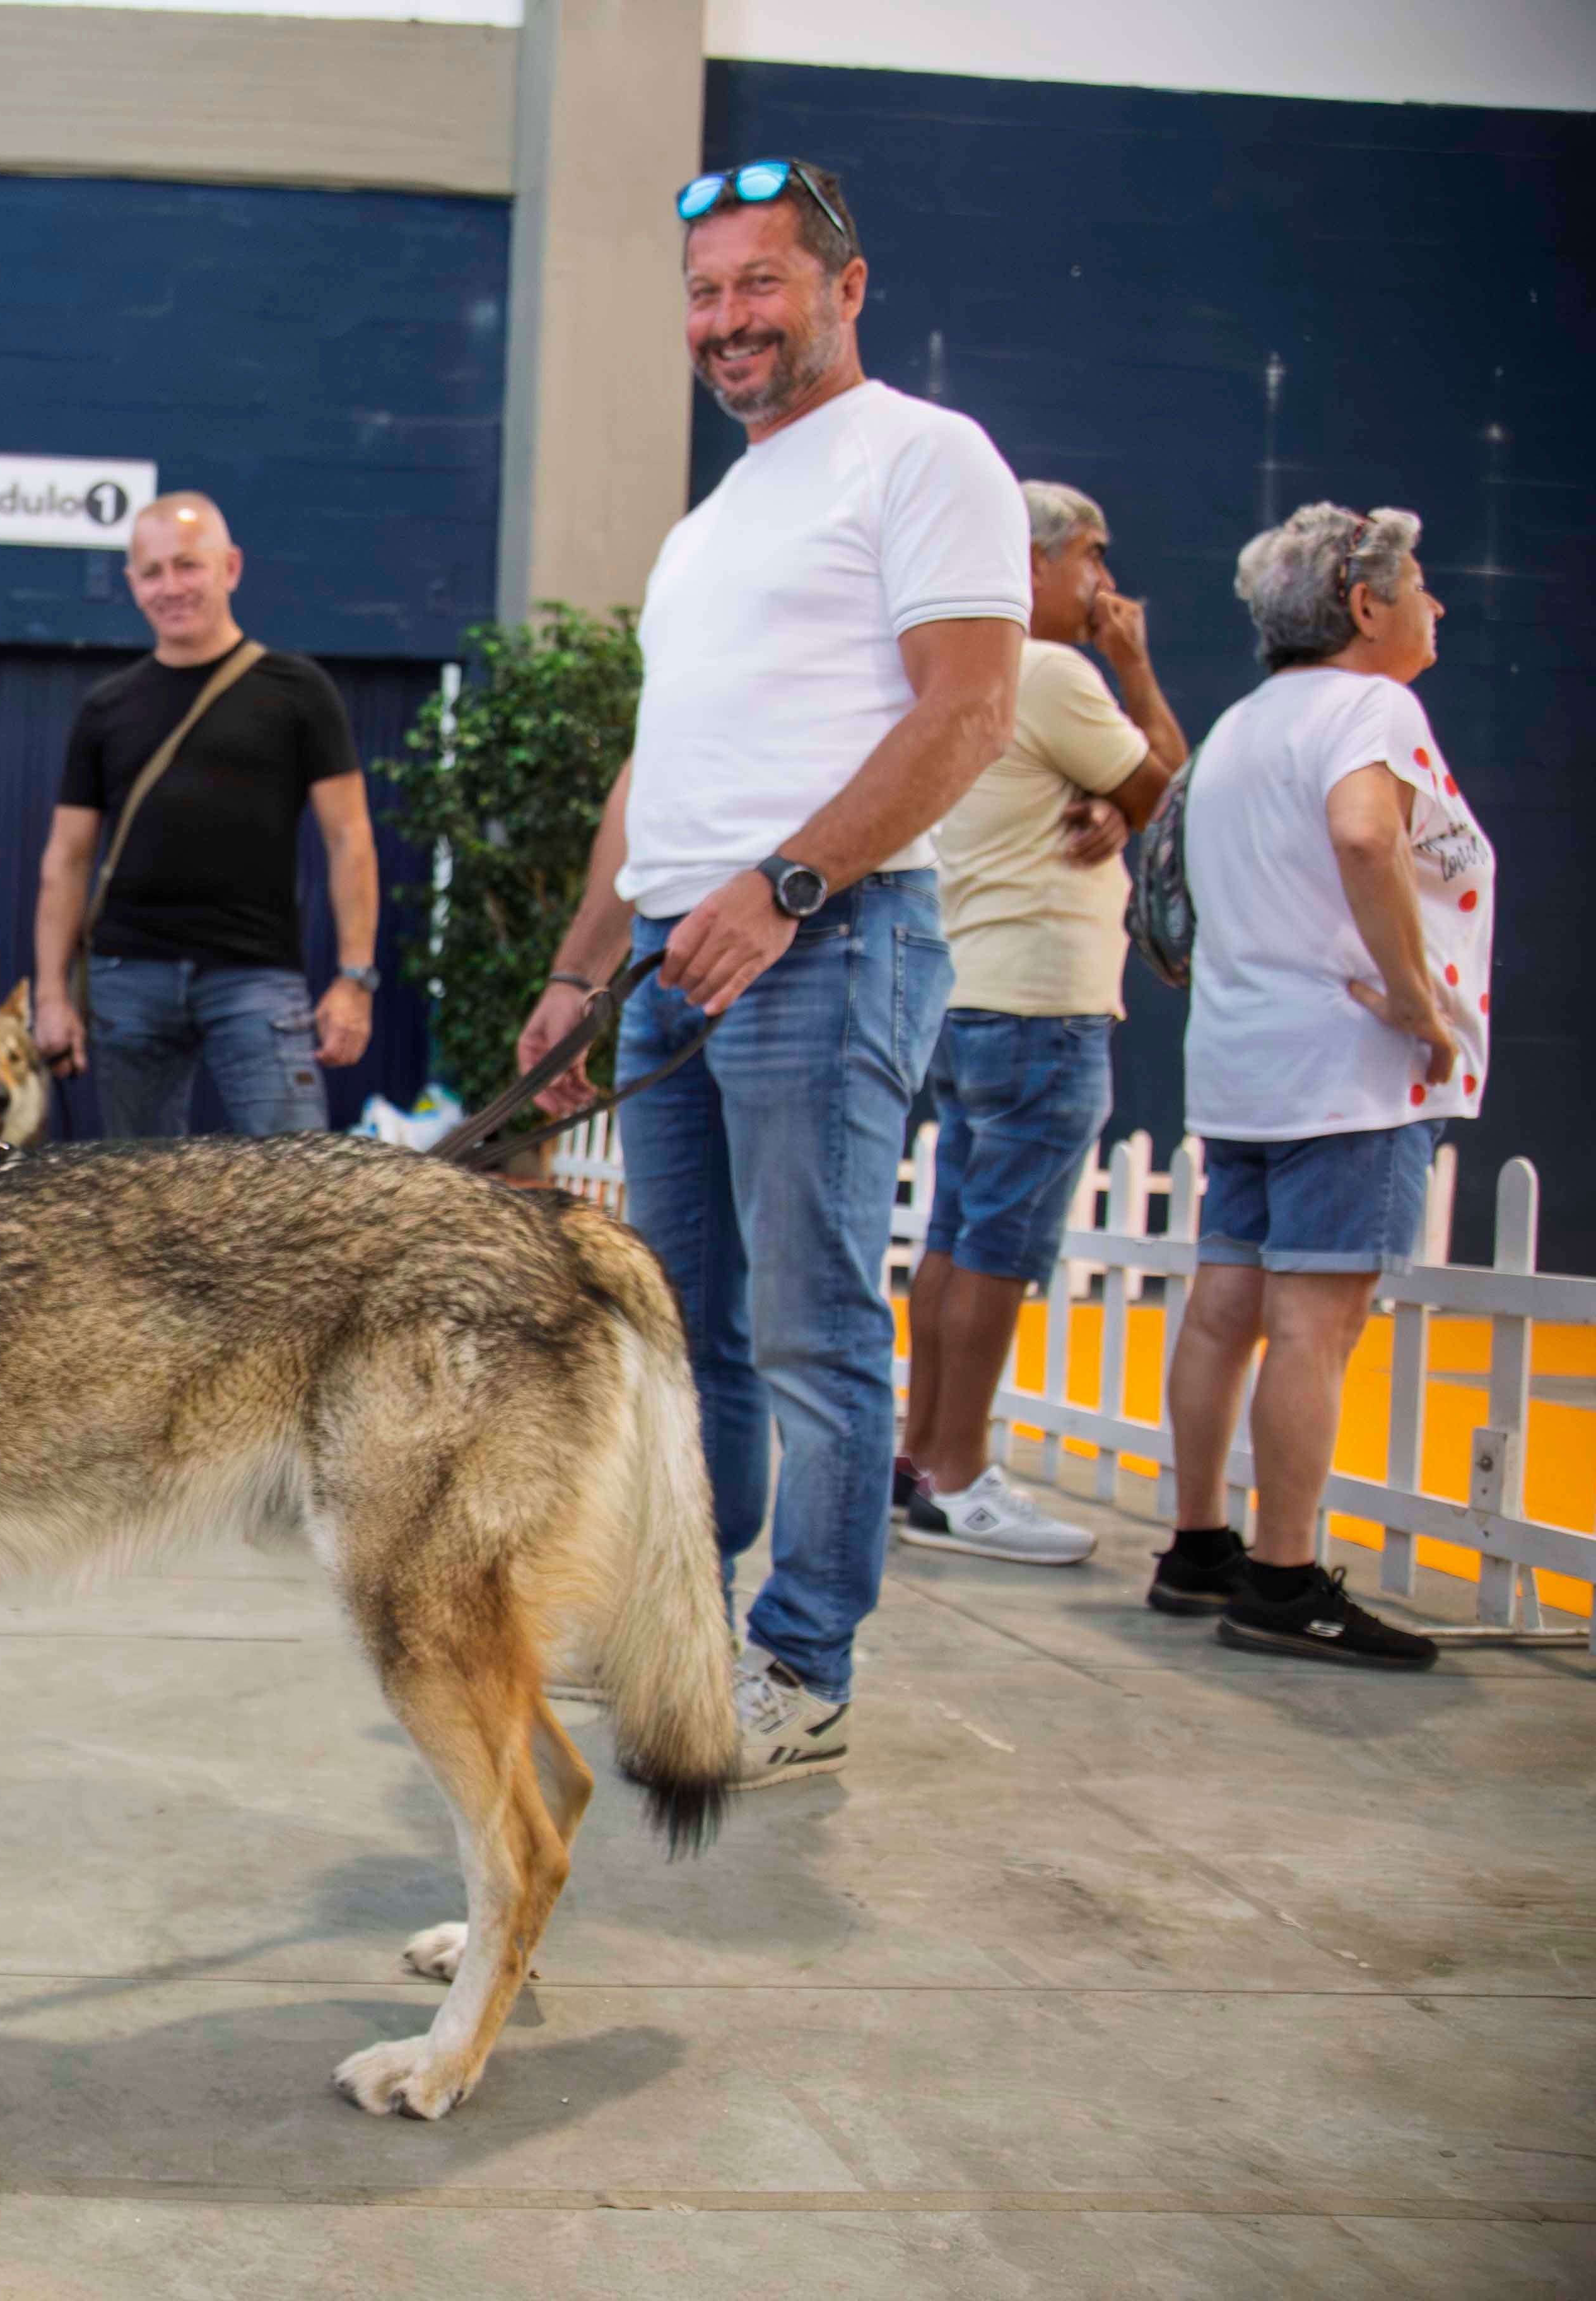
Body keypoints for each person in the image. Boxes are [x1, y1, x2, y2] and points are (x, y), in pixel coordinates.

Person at [513, 160, 1027, 1788]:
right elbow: (656, 777)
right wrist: (583, 970)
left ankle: (803, 1659)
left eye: (759, 283)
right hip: (677, 953)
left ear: (844, 288)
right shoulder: (716, 519)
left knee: (813, 1331)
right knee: (690, 1336)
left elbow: (967, 712)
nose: (727, 319)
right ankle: (686, 1621)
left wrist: (792, 884)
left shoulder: (926, 458)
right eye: (704, 291)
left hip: (826, 941)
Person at [1154, 506, 1486, 1671]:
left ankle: (1198, 1546)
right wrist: (1413, 996)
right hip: (1340, 1070)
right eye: (1420, 585)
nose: (1434, 605)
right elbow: (1362, 835)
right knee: (1314, 1324)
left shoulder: (1240, 724)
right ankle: (1285, 1580)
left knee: (1222, 1306)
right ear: (1363, 606)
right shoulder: (1373, 706)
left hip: (1242, 1055)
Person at [895, 481, 1185, 1562]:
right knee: (1001, 1249)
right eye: (1091, 559)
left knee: (953, 1237)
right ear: (1028, 563)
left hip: (968, 986)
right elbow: (1176, 791)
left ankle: (921, 1454)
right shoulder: (1055, 668)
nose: (1105, 584)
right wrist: (1138, 670)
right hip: (1045, 1001)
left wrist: (1113, 802)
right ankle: (961, 1478)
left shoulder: (948, 665)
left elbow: (1121, 796)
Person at [28, 492, 379, 1136]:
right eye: (153, 572)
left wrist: (355, 978)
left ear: (231, 568)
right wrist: (51, 995)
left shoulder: (299, 691)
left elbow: (349, 837)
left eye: (188, 565)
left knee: (295, 1188)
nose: (172, 587)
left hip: (256, 981)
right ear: (133, 586)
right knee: (138, 1202)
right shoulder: (107, 707)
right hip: (126, 981)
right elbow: (67, 858)